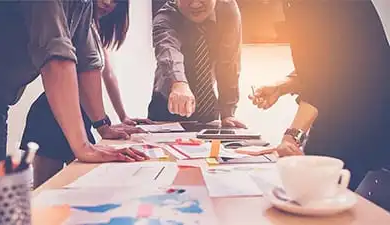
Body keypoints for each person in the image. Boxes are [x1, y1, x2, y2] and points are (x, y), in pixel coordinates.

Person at [250, 0, 390, 191]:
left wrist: (292, 136)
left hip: (365, 121)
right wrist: (281, 86)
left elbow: (326, 81)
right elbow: (325, 64)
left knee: (320, 196)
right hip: (342, 115)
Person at [0, 1, 146, 163]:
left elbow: (87, 63)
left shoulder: (84, 5)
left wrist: (103, 126)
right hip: (1, 100)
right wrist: (83, 147)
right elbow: (56, 58)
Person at [20, 0, 153, 188]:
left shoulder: (87, 23)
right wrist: (90, 139)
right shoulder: (64, 14)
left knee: (80, 183)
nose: (107, 2)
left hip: (81, 118)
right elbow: (57, 58)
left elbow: (95, 67)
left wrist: (109, 122)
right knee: (46, 189)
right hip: (49, 113)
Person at [148, 0, 246, 128]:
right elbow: (167, 50)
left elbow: (229, 62)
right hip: (168, 108)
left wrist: (227, 112)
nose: (195, 4)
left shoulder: (227, 9)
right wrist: (178, 84)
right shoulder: (165, 17)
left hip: (209, 109)